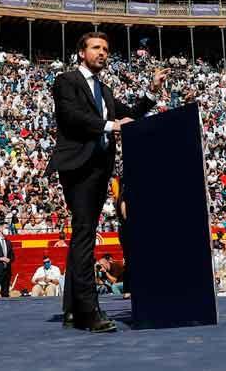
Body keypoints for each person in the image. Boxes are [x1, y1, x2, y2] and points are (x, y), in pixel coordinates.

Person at [51, 32, 164, 333]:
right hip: (78, 165)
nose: (102, 53)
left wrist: (151, 92)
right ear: (81, 52)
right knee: (85, 233)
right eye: (96, 48)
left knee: (82, 234)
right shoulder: (67, 81)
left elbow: (129, 115)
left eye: (106, 49)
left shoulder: (105, 89)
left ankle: (72, 310)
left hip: (100, 168)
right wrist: (110, 125)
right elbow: (71, 117)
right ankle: (89, 312)